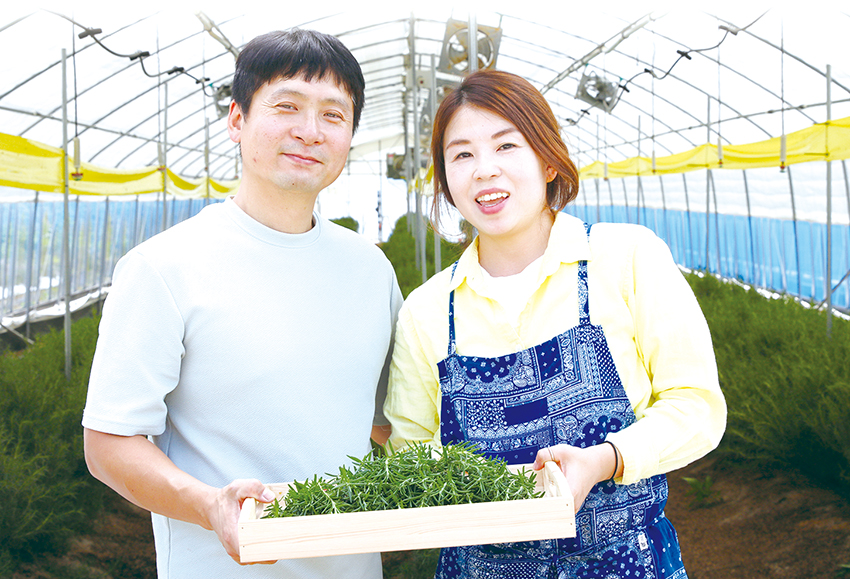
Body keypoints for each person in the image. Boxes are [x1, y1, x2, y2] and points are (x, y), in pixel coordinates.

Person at [82, 29, 402, 579]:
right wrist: (209, 505)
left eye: (334, 115)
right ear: (237, 120)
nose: (309, 131)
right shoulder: (164, 267)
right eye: (286, 106)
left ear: (349, 135)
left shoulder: (371, 270)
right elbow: (110, 442)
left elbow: (391, 423)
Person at [383, 69, 726, 579]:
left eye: (506, 146)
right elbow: (410, 456)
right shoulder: (429, 310)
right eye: (462, 155)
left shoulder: (626, 258)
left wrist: (607, 459)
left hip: (626, 564)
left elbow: (697, 405)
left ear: (547, 159)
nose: (484, 170)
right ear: (446, 180)